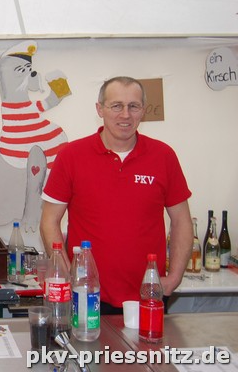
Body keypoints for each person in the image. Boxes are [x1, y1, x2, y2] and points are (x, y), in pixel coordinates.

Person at [40, 76, 193, 314]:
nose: (125, 115)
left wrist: (174, 277)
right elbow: (49, 222)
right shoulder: (71, 156)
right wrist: (67, 275)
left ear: (143, 110)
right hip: (88, 297)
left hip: (148, 295)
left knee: (150, 343)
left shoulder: (163, 156)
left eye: (134, 106)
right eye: (116, 106)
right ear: (100, 109)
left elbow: (182, 221)